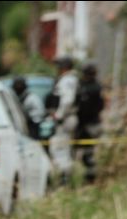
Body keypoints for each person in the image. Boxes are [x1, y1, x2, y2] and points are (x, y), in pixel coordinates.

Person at [49, 56, 79, 184]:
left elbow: (67, 100)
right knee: (64, 147)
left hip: (65, 119)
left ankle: (64, 179)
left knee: (60, 147)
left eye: (59, 66)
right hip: (69, 118)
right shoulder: (71, 79)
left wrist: (59, 115)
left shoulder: (67, 80)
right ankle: (65, 176)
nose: (57, 69)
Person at [75, 63, 104, 183]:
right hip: (86, 123)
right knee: (85, 153)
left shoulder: (93, 88)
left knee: (89, 154)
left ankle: (90, 179)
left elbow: (95, 106)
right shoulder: (86, 86)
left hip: (90, 124)